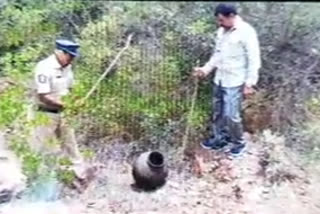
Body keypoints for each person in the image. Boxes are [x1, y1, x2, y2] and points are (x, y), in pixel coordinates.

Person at [192, 3, 261, 157]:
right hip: (220, 79)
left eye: (222, 20)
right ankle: (219, 139)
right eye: (218, 20)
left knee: (231, 115)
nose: (219, 23)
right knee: (218, 112)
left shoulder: (246, 32)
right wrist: (205, 69)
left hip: (235, 81)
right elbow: (217, 54)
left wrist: (250, 83)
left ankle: (239, 143)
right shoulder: (221, 32)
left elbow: (254, 59)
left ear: (231, 16)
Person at [29, 39, 83, 163]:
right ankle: (40, 177)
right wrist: (67, 105)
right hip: (44, 114)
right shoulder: (44, 67)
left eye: (73, 57)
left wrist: (76, 101)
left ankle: (78, 172)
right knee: (42, 148)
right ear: (60, 53)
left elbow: (70, 89)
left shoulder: (67, 68)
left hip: (63, 113)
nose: (71, 60)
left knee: (71, 146)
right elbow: (43, 96)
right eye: (69, 56)